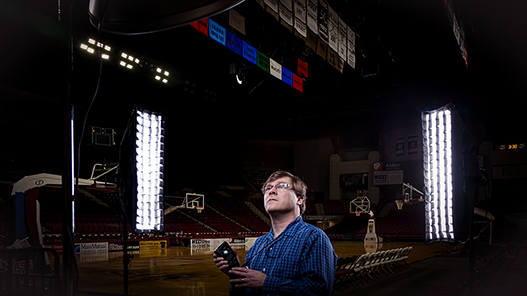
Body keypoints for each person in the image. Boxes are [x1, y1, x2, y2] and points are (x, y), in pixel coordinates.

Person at [213, 170, 338, 295]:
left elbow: (319, 291)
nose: (271, 191)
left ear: (299, 199)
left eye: (282, 186)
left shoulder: (314, 237)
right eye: (268, 188)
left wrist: (265, 283)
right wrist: (236, 274)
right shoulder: (258, 244)